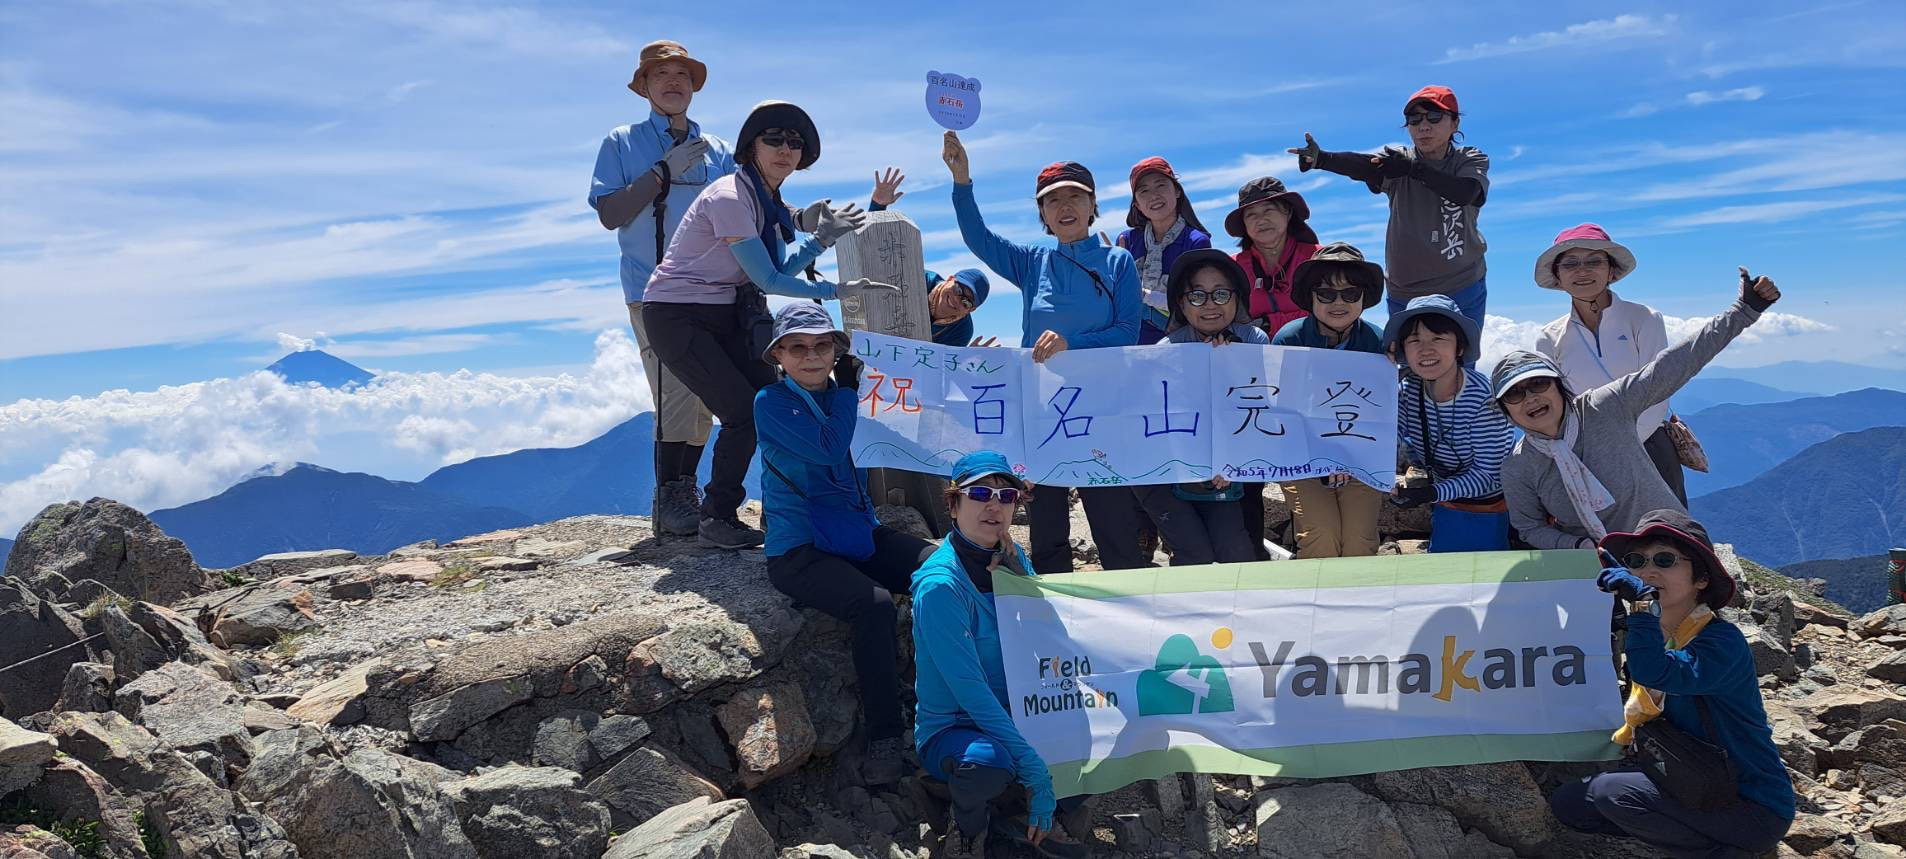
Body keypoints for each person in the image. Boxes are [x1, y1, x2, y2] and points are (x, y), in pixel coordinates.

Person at [643, 100, 883, 549]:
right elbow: (768, 278)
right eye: (774, 139)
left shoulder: (766, 201)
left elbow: (779, 268)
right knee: (740, 412)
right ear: (750, 146)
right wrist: (836, 291)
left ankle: (785, 507)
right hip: (676, 313)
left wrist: (823, 239)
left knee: (772, 400)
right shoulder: (731, 197)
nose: (786, 149)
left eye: (795, 143)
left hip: (724, 310)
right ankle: (717, 517)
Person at [940, 130, 1147, 573]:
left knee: (1114, 526)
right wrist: (962, 181)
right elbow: (980, 240)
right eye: (1053, 200)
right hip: (1043, 412)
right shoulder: (1033, 261)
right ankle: (1055, 625)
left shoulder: (1117, 262)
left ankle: (1126, 622)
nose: (1065, 207)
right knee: (1047, 526)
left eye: (1076, 196)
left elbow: (1128, 332)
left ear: (1093, 207)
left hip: (1103, 412)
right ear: (1042, 214)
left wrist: (1073, 344)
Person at [755, 303, 933, 785]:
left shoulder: (850, 395)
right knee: (873, 606)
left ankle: (949, 699)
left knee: (941, 570)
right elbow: (829, 447)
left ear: (835, 349)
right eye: (797, 346)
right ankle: (885, 732)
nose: (811, 355)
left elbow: (923, 417)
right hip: (798, 551)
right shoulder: (771, 403)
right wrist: (854, 391)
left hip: (858, 533)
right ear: (778, 355)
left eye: (821, 344)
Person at [1551, 509, 1795, 855]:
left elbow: (1656, 671)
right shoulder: (1659, 636)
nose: (1648, 571)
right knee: (1572, 804)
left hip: (1750, 804)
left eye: (1665, 560)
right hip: (1688, 778)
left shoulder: (1721, 642)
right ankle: (1689, 833)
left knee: (1611, 794)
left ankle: (1717, 852)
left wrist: (1642, 608)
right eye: (1636, 561)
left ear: (1701, 579)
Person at [1495, 270, 1783, 549]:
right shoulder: (1520, 466)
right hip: (1599, 572)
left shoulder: (1604, 408)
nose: (1530, 397)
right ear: (1505, 410)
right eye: (1515, 394)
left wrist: (1744, 311)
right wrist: (1577, 546)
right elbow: (1529, 527)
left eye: (1538, 384)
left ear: (1560, 386)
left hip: (1672, 552)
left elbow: (1676, 363)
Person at [589, 40, 736, 536]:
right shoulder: (622, 142)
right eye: (661, 75)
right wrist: (662, 173)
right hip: (652, 289)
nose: (673, 82)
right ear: (645, 87)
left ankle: (683, 491)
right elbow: (610, 213)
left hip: (715, 289)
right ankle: (670, 495)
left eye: (681, 74)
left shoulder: (718, 150)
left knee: (705, 392)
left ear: (693, 85)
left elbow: (744, 211)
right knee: (674, 388)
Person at [912, 450, 1091, 858]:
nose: (994, 505)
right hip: (957, 727)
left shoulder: (1008, 557)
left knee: (1095, 729)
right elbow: (970, 692)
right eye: (979, 493)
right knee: (988, 764)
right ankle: (971, 828)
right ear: (953, 504)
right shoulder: (941, 587)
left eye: (1006, 496)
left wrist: (1022, 577)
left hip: (1019, 710)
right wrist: (1036, 772)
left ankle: (1021, 811)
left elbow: (1051, 633)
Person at [1289, 85, 1490, 355]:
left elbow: (1466, 193)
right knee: (1407, 367)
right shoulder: (1400, 162)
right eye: (1414, 120)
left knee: (1462, 366)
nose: (1423, 126)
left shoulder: (1469, 159)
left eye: (1434, 117)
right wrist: (1322, 159)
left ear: (1455, 123)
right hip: (1405, 291)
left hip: (1462, 284)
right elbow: (1363, 165)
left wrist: (1414, 170)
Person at [1532, 224, 1688, 505]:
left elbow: (1658, 390)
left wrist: (1621, 448)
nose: (1583, 271)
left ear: (1611, 271)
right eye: (1570, 264)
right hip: (1586, 452)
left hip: (1649, 444)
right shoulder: (1549, 338)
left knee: (1667, 534)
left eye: (1594, 261)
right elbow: (1555, 405)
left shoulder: (1643, 319)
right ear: (1558, 276)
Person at [1128, 249, 1264, 566]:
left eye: (1220, 294)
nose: (1211, 305)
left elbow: (1261, 411)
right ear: (1181, 304)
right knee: (1194, 555)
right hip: (1163, 475)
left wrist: (1232, 461)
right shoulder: (1168, 350)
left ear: (1237, 298)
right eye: (1197, 296)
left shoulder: (1255, 341)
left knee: (1237, 554)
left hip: (1222, 475)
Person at [1270, 243, 1386, 558]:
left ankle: (1357, 606)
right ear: (1311, 296)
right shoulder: (1289, 341)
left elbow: (1381, 413)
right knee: (1320, 537)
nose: (1339, 302)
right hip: (1302, 459)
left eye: (1350, 294)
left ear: (1364, 298)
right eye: (1326, 294)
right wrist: (1324, 455)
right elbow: (1283, 412)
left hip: (1361, 458)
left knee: (1359, 543)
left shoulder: (1378, 342)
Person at [1383, 295, 1517, 552]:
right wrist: (1383, 376)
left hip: (1486, 503)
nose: (1425, 349)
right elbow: (1386, 437)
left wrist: (1430, 493)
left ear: (1459, 347)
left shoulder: (1484, 398)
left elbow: (1488, 476)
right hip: (1445, 496)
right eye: (1414, 340)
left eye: (1438, 338)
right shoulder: (1407, 389)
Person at [863, 168, 997, 348]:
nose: (957, 299)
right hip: (873, 342)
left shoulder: (961, 331)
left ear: (970, 310)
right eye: (958, 289)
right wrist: (877, 206)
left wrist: (966, 361)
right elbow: (875, 260)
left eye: (966, 302)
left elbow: (942, 370)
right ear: (950, 279)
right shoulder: (918, 279)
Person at [1116, 157, 1212, 344]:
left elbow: (1197, 302)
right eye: (1144, 191)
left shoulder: (1197, 242)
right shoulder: (1126, 241)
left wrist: (1143, 296)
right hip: (1131, 343)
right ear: (1137, 204)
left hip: (1180, 345)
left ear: (1177, 191)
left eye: (1161, 185)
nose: (1154, 196)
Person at [1224, 176, 1320, 338]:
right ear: (1244, 224)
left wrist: (1269, 323)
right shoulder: (1232, 267)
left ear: (1287, 212)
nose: (1261, 220)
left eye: (1268, 210)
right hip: (1251, 357)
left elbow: (1336, 312)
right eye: (1251, 215)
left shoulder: (1319, 259)